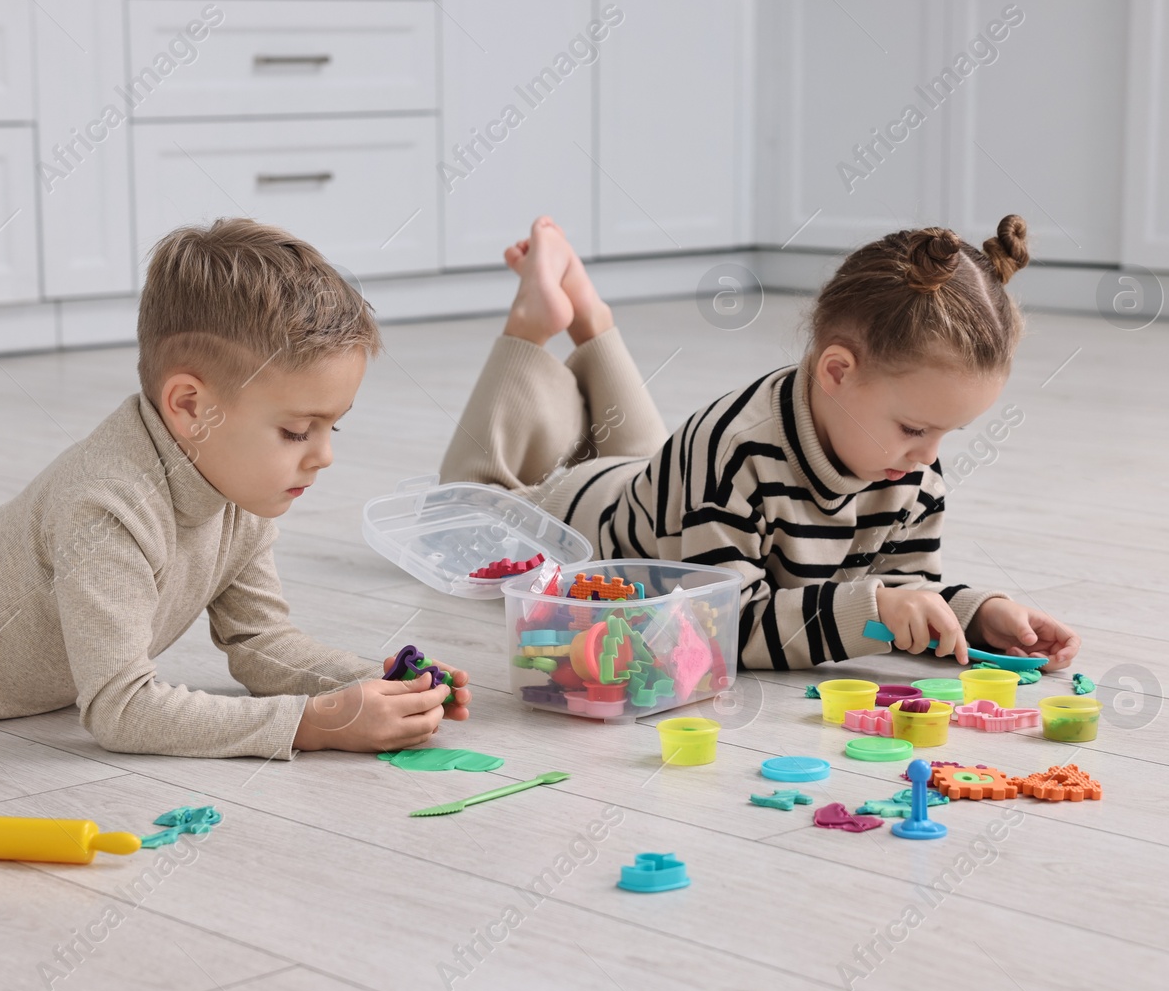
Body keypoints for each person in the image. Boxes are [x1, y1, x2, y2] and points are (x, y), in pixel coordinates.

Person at [0, 219, 469, 757]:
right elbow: (120, 710)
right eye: (296, 431)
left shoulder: (239, 494)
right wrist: (315, 725)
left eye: (333, 426)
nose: (324, 456)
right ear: (191, 407)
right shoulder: (109, 508)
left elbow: (260, 643)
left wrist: (376, 684)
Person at [439, 215, 1081, 671]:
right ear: (836, 372)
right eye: (915, 428)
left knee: (650, 455)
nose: (930, 457)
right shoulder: (732, 453)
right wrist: (870, 610)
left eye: (947, 434)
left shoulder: (910, 469)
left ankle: (591, 318)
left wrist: (974, 612)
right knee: (469, 503)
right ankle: (532, 325)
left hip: (668, 493)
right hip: (584, 512)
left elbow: (902, 589)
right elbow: (718, 629)